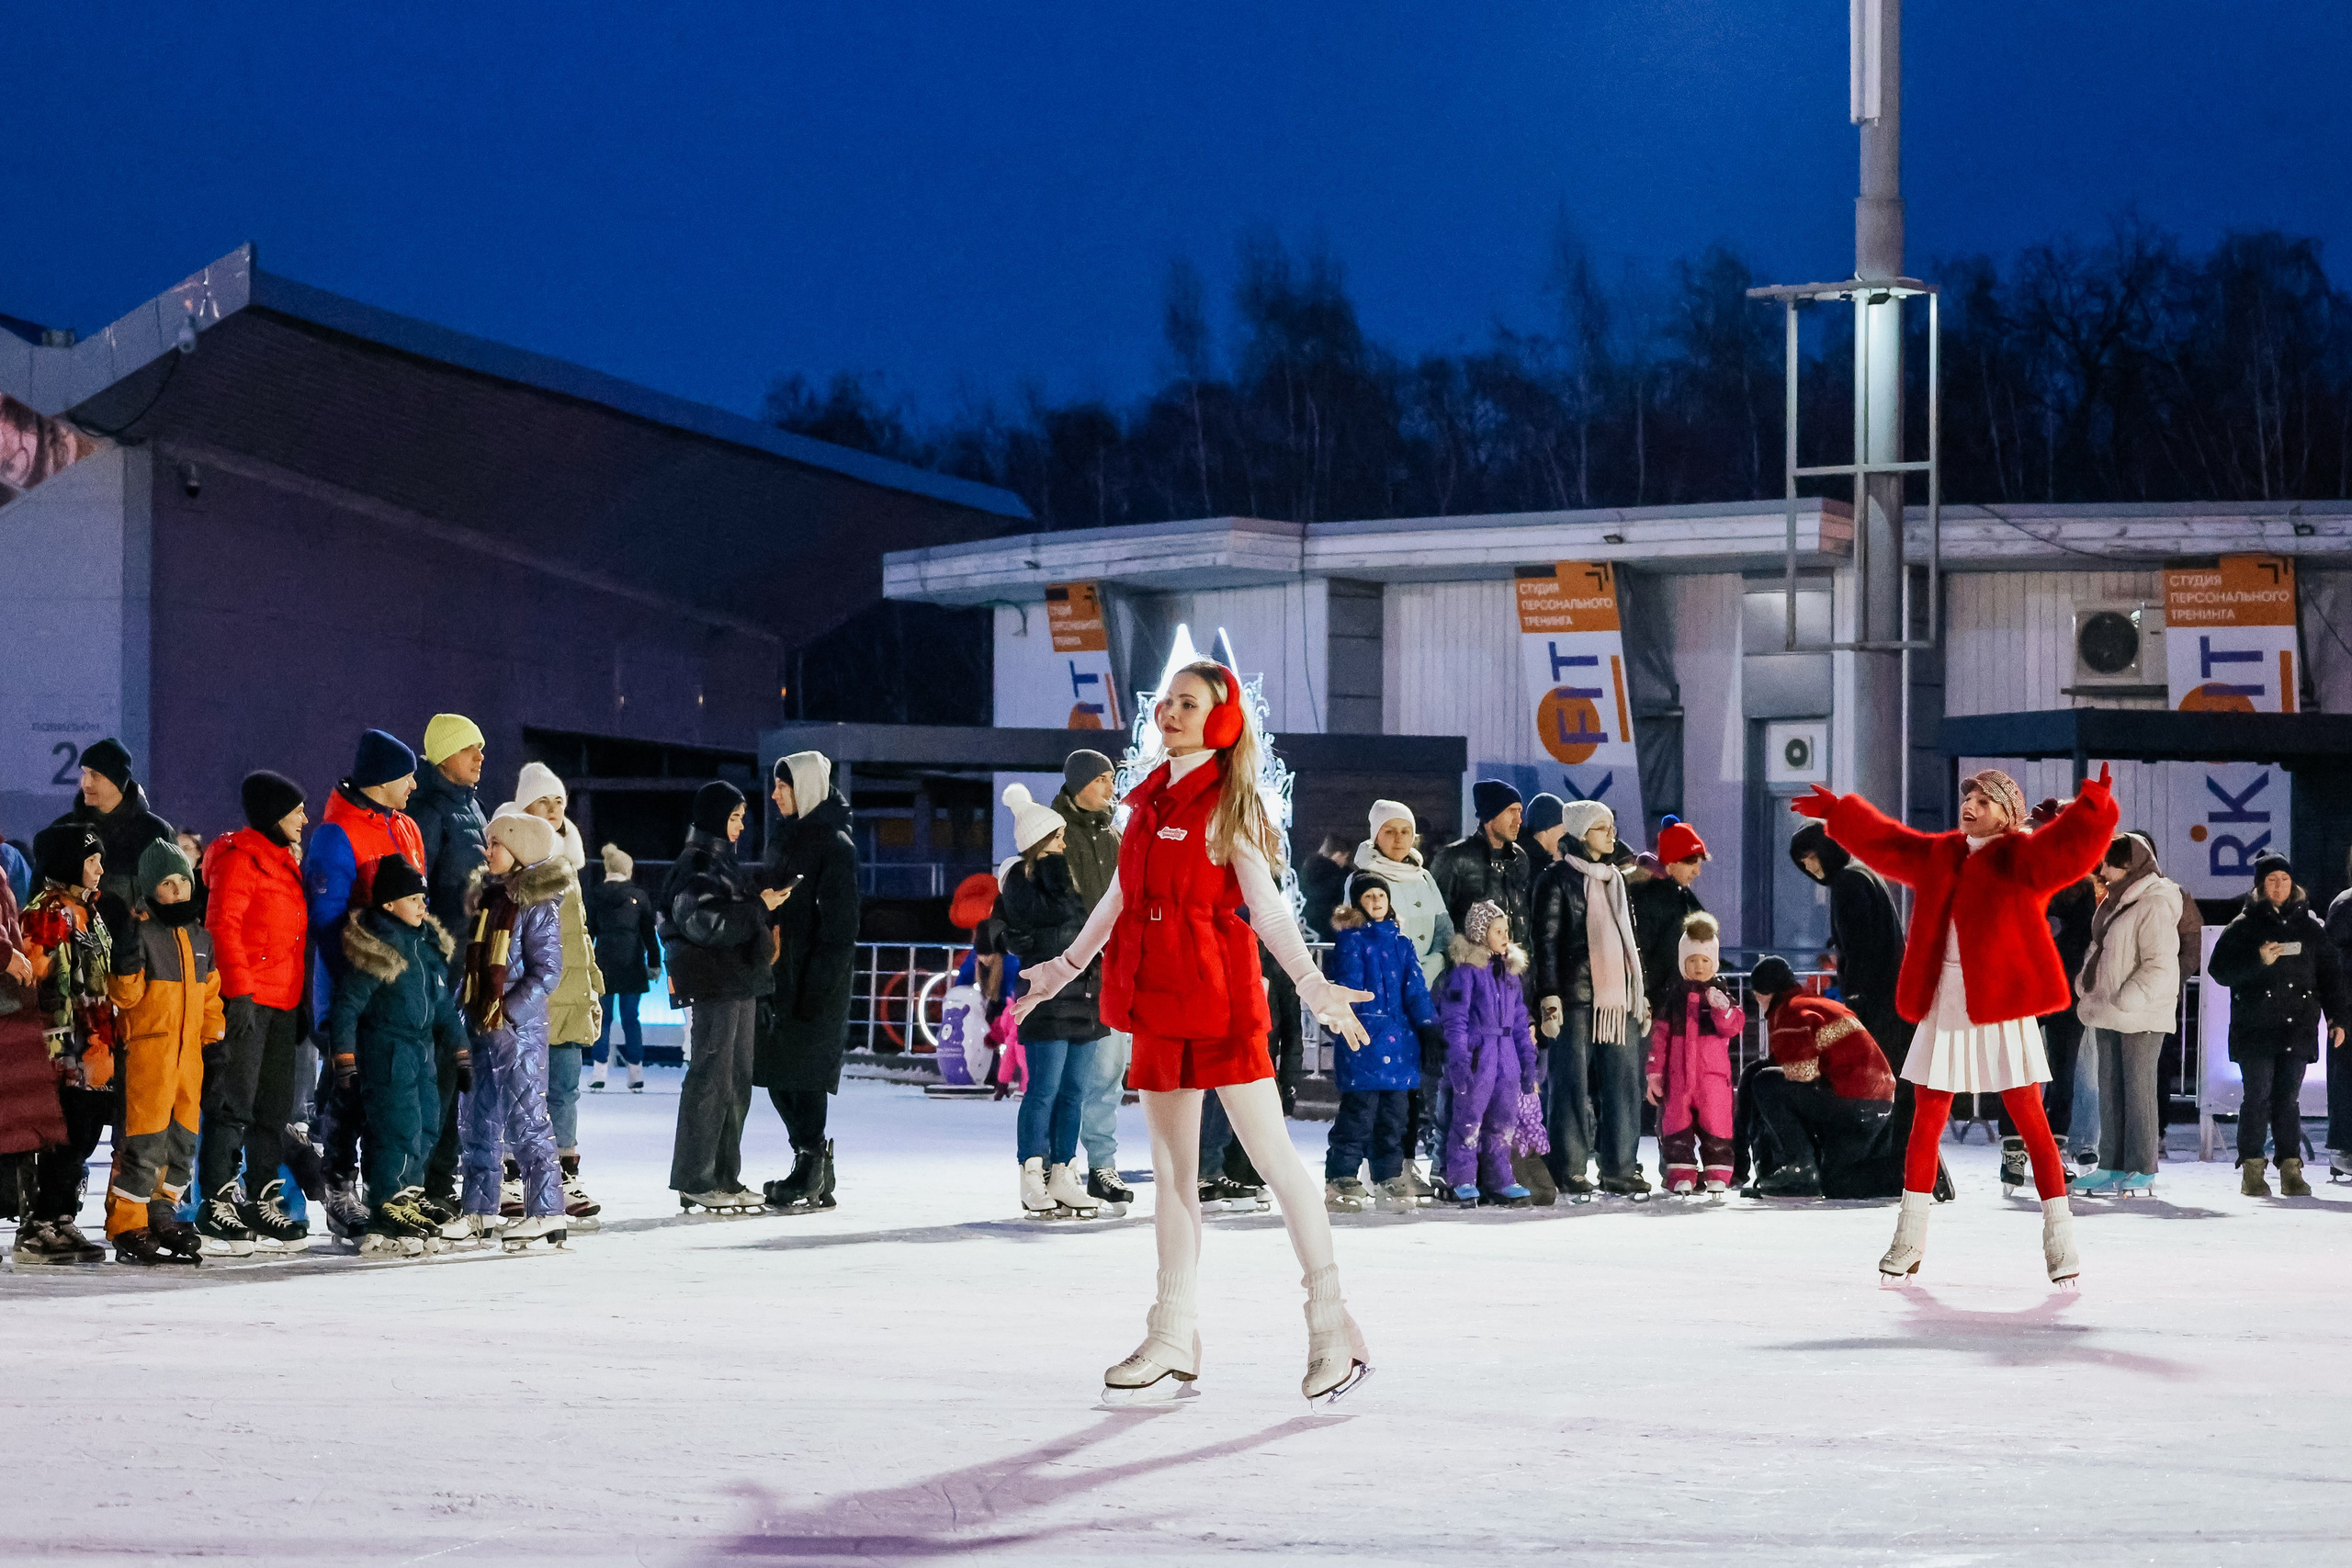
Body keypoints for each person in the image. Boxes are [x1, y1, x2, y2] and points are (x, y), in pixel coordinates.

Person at [1014, 660, 1377, 1406]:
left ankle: (1332, 1325)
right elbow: (1120, 895)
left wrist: (1311, 983)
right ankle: (1173, 1331)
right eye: (1168, 701)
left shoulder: (1228, 804)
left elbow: (1268, 909)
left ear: (1220, 719)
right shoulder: (1146, 801)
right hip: (1156, 998)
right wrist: (1066, 965)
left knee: (1273, 1161)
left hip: (1219, 998)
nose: (1172, 712)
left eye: (1190, 702)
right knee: (1174, 1171)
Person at [1792, 765, 2117, 1286]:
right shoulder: (1942, 854)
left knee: (2031, 1121)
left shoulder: (2020, 857)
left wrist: (2093, 809)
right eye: (1968, 797)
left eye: (1984, 801)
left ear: (2006, 815)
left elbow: (2069, 852)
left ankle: (2060, 1238)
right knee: (1926, 1119)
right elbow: (1890, 843)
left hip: (2001, 1003)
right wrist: (1838, 814)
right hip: (1945, 1000)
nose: (1970, 806)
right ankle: (1908, 1237)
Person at [305, 728, 427, 1238]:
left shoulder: (407, 827)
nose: (414, 786)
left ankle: (393, 1191)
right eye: (407, 777)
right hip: (353, 989)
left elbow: (417, 909)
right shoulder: (336, 835)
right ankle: (338, 1187)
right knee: (348, 1091)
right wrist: (364, 978)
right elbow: (327, 923)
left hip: (402, 992)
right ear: (381, 780)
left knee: (395, 1092)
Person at [193, 771, 312, 1253]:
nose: (305, 819)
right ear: (273, 814)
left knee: (273, 1108)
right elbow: (222, 925)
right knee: (233, 1102)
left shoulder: (284, 863)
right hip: (248, 1002)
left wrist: (301, 1001)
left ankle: (263, 1198)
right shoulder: (240, 860)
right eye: (297, 810)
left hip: (283, 1002)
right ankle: (216, 1201)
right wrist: (239, 993)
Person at [329, 856, 469, 1256]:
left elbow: (444, 1008)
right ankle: (386, 1201)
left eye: (423, 897)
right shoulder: (381, 947)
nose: (423, 904)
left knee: (426, 1126)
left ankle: (408, 1193)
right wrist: (344, 1058)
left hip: (423, 1052)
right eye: (413, 898)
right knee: (397, 1128)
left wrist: (460, 1050)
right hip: (387, 1052)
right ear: (389, 904)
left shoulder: (426, 947)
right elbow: (347, 1007)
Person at [97, 842, 223, 1265]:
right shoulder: (143, 934)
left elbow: (211, 996)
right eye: (167, 884)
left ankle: (162, 1211)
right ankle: (128, 1221)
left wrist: (214, 1039)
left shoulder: (201, 937)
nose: (177, 891)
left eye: (182, 881)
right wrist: (125, 958)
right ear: (151, 889)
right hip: (148, 1056)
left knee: (181, 1141)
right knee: (144, 1141)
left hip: (189, 1060)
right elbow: (125, 997)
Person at [663, 781, 780, 1213]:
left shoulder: (721, 863)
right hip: (715, 984)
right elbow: (704, 923)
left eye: (742, 818)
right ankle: (697, 1177)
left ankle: (724, 1176)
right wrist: (759, 907)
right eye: (734, 817)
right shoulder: (696, 864)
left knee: (734, 1083)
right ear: (714, 818)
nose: (741, 826)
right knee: (711, 1080)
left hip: (737, 982)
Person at [457, 809, 570, 1249]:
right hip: (481, 1025)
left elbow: (547, 972)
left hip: (516, 1031)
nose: (487, 851)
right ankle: (479, 1209)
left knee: (527, 1119)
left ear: (519, 851)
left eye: (496, 844)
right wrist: (465, 1009)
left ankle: (546, 1211)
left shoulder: (537, 904)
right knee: (477, 1119)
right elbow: (473, 965)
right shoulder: (491, 900)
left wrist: (506, 1012)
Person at [2208, 851, 2347, 1198]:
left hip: (2297, 1027)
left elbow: (2330, 976)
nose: (2279, 886)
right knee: (2257, 1097)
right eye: (2271, 880)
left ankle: (2291, 1169)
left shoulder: (2311, 929)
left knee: (2288, 1100)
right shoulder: (2243, 926)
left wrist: (2337, 1018)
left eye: (2285, 879)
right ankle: (2252, 1168)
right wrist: (2257, 960)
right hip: (2255, 1029)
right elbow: (2219, 970)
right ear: (2259, 885)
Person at [996, 784, 1106, 1219]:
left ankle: (1063, 1172)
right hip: (1045, 998)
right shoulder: (1021, 881)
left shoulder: (1069, 878)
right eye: (1057, 838)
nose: (1064, 844)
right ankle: (1032, 1174)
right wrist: (1051, 866)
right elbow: (1042, 916)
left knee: (1074, 1091)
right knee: (1044, 1090)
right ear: (1040, 841)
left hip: (1084, 995)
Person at [756, 751, 860, 1212]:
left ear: (806, 788)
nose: (775, 794)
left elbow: (840, 927)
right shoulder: (783, 837)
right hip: (777, 974)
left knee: (806, 1074)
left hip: (817, 979)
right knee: (776, 1073)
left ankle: (811, 1163)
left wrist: (817, 988)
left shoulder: (836, 845)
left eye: (784, 786)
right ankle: (812, 1160)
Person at [1532, 798, 1650, 1198]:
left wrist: (1640, 993)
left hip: (1618, 999)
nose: (1611, 835)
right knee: (1571, 1086)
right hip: (1574, 996)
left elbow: (1630, 942)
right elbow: (1546, 942)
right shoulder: (1555, 880)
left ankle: (1620, 1167)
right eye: (1602, 828)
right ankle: (1569, 1167)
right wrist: (1549, 996)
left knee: (1624, 1084)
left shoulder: (1616, 879)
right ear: (1582, 834)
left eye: (1612, 826)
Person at [12, 824, 115, 1264]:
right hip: (64, 1044)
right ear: (70, 863)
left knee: (86, 1132)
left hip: (97, 1040)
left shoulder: (89, 911)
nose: (100, 869)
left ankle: (63, 1216)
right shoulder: (48, 911)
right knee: (65, 1133)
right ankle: (40, 1224)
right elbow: (33, 975)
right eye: (92, 860)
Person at [513, 763, 605, 1227]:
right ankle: (514, 1175)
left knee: (565, 1091)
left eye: (559, 802)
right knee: (522, 1090)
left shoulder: (570, 863)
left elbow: (579, 935)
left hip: (569, 998)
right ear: (524, 806)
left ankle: (564, 1175)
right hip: (531, 999)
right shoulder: (512, 860)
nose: (553, 810)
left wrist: (591, 987)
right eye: (543, 801)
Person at [2069, 833, 2183, 1198]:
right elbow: (2099, 947)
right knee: (2110, 1092)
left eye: (2111, 863)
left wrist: (2129, 996)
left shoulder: (2154, 903)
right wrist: (2087, 983)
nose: (2103, 870)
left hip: (2140, 1014)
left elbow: (2161, 964)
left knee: (2138, 1092)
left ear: (2131, 866)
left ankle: (2142, 1167)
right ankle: (2112, 1164)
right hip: (2108, 1010)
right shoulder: (2115, 902)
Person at [1352, 798, 1455, 1202]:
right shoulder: (1365, 877)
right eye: (1390, 831)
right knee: (1381, 1083)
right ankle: (1376, 1164)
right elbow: (1364, 937)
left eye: (1405, 831)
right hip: (1382, 1000)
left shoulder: (1425, 878)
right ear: (1375, 835)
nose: (1398, 839)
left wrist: (1429, 969)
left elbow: (1444, 933)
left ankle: (1406, 1160)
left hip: (1421, 995)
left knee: (1411, 1083)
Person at [405, 714, 488, 1210]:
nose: (480, 757)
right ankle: (419, 1183)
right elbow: (417, 893)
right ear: (442, 756)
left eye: (481, 748)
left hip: (471, 965)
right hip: (439, 967)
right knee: (433, 1075)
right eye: (469, 748)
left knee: (458, 1073)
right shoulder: (427, 811)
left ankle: (442, 1180)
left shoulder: (472, 807)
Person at [1324, 873, 1443, 1213]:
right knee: (1359, 1114)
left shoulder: (1402, 944)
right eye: (1369, 897)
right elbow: (1348, 986)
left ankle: (1388, 1175)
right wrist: (1351, 1018)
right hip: (1365, 1039)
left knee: (1394, 1117)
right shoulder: (1351, 941)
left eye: (1381, 895)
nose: (1376, 901)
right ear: (1358, 904)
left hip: (1401, 1043)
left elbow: (1416, 990)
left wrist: (1428, 1026)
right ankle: (1341, 1176)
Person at [1744, 955, 1905, 1200]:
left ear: (1764, 994)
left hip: (1850, 1099)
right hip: (1879, 1103)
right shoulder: (1817, 1003)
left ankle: (1798, 1169)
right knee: (1836, 1182)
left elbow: (1803, 1073)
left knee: (1765, 1083)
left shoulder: (1790, 1011)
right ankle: (1908, 1172)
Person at [1053, 749, 1132, 1213]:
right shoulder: (1055, 832)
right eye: (1102, 779)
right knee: (1066, 1077)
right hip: (1070, 970)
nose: (1110, 788)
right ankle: (1058, 1166)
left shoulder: (1116, 836)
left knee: (1109, 1070)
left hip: (1113, 969)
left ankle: (1102, 1164)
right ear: (1079, 782)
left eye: (1111, 779)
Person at [1789, 820, 1910, 1077]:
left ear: (1827, 849)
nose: (1808, 866)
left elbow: (1859, 947)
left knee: (1875, 1077)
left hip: (1874, 1001)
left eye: (1811, 856)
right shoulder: (1861, 874)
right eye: (1803, 861)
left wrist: (1855, 1000)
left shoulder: (1848, 882)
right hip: (1892, 997)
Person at [1437, 899, 1537, 1206]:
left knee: (1503, 1121)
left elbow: (1519, 1021)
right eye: (1498, 931)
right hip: (1480, 1056)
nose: (1505, 936)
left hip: (1506, 1057)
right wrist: (1459, 1057)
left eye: (1506, 930)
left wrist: (1527, 1060)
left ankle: (1500, 1178)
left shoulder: (1509, 975)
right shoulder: (1466, 973)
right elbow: (1455, 1019)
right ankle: (1462, 1178)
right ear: (1481, 934)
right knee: (1468, 1118)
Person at [1644, 910, 1743, 1196]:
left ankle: (1718, 1174)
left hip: (1712, 1078)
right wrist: (1655, 1072)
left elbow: (1733, 1026)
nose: (1699, 967)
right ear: (1683, 962)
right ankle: (1681, 1173)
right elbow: (1660, 1037)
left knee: (1717, 1125)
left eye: (1704, 961)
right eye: (1692, 961)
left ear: (1714, 963)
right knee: (1676, 1126)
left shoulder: (1721, 993)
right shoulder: (1673, 996)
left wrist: (1722, 1010)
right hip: (1678, 1077)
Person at [0, 833, 67, 1249]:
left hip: (11, 1006)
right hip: (7, 1006)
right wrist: (6, 954)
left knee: (21, 1123)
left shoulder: (4, 863)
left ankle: (32, 1216)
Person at [48, 736, 175, 945]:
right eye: (84, 773)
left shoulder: (155, 832)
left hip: (138, 951)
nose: (85, 783)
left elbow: (175, 895)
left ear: (118, 781)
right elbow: (41, 897)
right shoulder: (65, 830)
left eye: (95, 775)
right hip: (75, 950)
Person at [586, 843, 660, 1092]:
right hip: (632, 961)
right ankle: (636, 1073)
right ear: (627, 870)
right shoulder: (639, 895)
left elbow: (589, 932)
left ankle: (599, 1072)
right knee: (631, 1018)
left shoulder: (596, 894)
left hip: (603, 962)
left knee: (602, 1018)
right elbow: (648, 933)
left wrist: (585, 964)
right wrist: (654, 963)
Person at [1629, 821, 1708, 1025]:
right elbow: (1642, 951)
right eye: (1691, 862)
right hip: (1654, 1006)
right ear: (1671, 864)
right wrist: (1647, 996)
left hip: (1674, 1002)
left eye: (1699, 863)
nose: (1697, 872)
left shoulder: (1683, 897)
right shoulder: (1650, 898)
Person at [1431, 780, 1531, 935]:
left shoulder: (1519, 857)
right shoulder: (1454, 858)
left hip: (1514, 950)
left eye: (1519, 811)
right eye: (1511, 811)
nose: (1518, 820)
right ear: (1490, 815)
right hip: (1471, 951)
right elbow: (1438, 920)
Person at [1299, 833, 1353, 943]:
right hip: (1328, 929)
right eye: (1346, 858)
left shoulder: (1306, 869)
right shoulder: (1338, 876)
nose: (1345, 862)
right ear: (1338, 855)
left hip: (1305, 925)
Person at [1522, 794, 1568, 864]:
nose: (1566, 838)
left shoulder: (1525, 858)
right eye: (1564, 832)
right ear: (1547, 828)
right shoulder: (1528, 865)